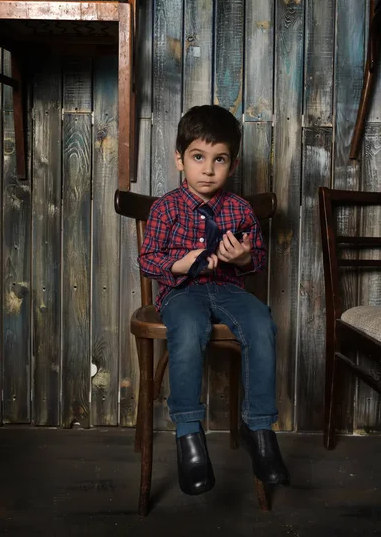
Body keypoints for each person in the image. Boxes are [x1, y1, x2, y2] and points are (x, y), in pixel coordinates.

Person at [138, 105, 290, 495]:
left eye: (218, 159)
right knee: (188, 330)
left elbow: (256, 259)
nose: (208, 170)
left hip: (227, 290)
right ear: (180, 159)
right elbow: (148, 258)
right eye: (198, 158)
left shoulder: (239, 209)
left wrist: (243, 258)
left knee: (261, 322)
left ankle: (259, 430)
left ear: (232, 164)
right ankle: (189, 435)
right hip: (182, 293)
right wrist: (179, 263)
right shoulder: (165, 208)